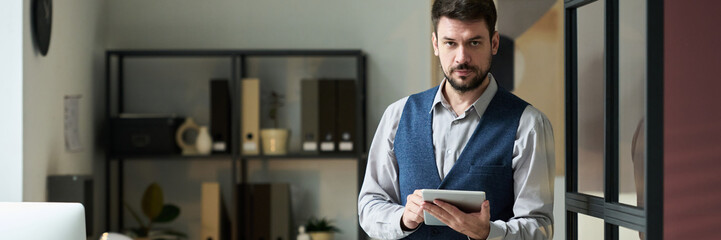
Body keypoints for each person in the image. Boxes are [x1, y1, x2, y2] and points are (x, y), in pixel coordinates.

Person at [357, 0, 555, 239]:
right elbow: (369, 205)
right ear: (435, 44)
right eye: (450, 43)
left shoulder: (529, 124)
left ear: (494, 43)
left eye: (474, 42)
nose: (462, 58)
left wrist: (489, 232)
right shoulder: (397, 116)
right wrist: (403, 219)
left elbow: (539, 226)